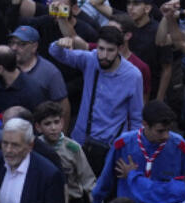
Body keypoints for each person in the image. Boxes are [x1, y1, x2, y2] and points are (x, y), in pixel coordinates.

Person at [49, 25, 145, 169]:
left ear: (120, 49)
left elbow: (136, 117)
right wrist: (60, 43)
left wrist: (131, 151)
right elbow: (56, 53)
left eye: (110, 50)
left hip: (111, 147)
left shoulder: (133, 75)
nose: (104, 55)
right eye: (101, 49)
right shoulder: (91, 59)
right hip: (81, 141)